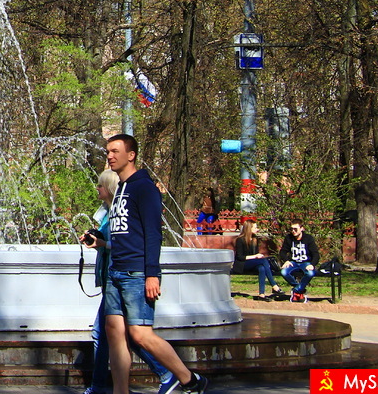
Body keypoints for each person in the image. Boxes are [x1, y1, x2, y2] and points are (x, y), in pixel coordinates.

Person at [103, 134, 207, 394]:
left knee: (140, 334)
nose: (110, 156)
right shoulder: (122, 187)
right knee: (114, 332)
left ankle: (189, 380)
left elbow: (153, 233)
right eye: (108, 151)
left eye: (115, 151)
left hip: (136, 272)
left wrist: (152, 274)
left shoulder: (144, 187)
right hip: (116, 271)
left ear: (131, 155)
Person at [80, 169, 174, 394]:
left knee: (125, 334)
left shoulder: (128, 204)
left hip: (125, 275)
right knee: (116, 334)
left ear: (109, 188)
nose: (97, 188)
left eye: (101, 185)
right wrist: (97, 239)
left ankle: (171, 375)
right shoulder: (107, 212)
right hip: (113, 277)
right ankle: (105, 386)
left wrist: (151, 274)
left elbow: (133, 240)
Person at [232, 220, 282, 301]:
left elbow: (255, 254)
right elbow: (240, 257)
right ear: (249, 228)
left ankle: (261, 294)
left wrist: (257, 256)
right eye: (255, 227)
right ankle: (274, 285)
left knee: (261, 268)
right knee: (264, 261)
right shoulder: (240, 240)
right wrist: (255, 256)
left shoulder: (255, 239)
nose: (257, 229)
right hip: (242, 264)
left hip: (252, 263)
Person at [279, 220, 320, 302]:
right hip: (293, 262)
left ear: (302, 228)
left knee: (310, 273)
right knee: (284, 272)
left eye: (295, 229)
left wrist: (312, 264)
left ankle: (296, 290)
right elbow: (282, 252)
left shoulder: (308, 238)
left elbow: (316, 254)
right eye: (291, 229)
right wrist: (286, 261)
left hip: (305, 262)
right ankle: (300, 289)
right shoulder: (289, 238)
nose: (293, 231)